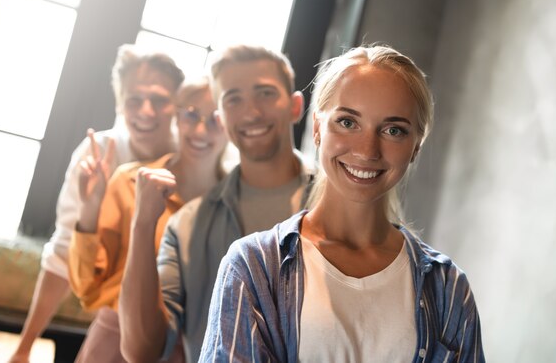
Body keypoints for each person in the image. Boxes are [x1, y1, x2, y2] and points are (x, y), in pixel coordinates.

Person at [200, 44, 486, 362]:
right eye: (348, 122)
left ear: (415, 147)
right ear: (318, 128)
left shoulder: (449, 288)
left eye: (393, 130)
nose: (367, 150)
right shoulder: (253, 268)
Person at [119, 44, 314, 363]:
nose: (251, 112)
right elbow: (141, 351)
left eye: (265, 93)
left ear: (294, 106)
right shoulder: (186, 225)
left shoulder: (340, 202)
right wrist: (142, 225)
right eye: (234, 98)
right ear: (222, 118)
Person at [7, 44, 184, 363]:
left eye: (159, 99)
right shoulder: (98, 153)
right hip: (112, 321)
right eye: (134, 99)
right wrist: (24, 348)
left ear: (178, 105)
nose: (146, 111)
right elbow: (62, 254)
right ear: (120, 103)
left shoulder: (192, 160)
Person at [68, 78, 228, 363]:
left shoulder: (236, 205)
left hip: (192, 352)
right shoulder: (131, 181)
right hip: (113, 344)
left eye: (215, 118)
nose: (201, 129)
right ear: (177, 116)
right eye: (191, 114)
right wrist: (90, 207)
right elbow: (85, 287)